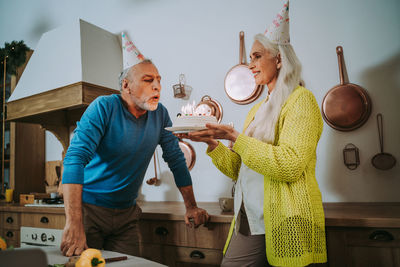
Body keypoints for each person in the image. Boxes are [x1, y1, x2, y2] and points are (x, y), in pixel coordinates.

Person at [177, 1, 327, 266]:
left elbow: (290, 165)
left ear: (279, 59)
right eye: (250, 58)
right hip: (249, 217)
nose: (251, 64)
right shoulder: (257, 110)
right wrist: (212, 143)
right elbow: (240, 168)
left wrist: (236, 137)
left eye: (257, 56)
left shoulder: (301, 100)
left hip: (286, 219)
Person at [60, 33, 209, 257]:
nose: (157, 87)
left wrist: (191, 206)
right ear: (126, 85)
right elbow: (74, 159)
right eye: (149, 80)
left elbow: (176, 160)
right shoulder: (104, 107)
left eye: (159, 80)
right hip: (89, 212)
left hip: (127, 215)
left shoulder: (161, 114)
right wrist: (74, 223)